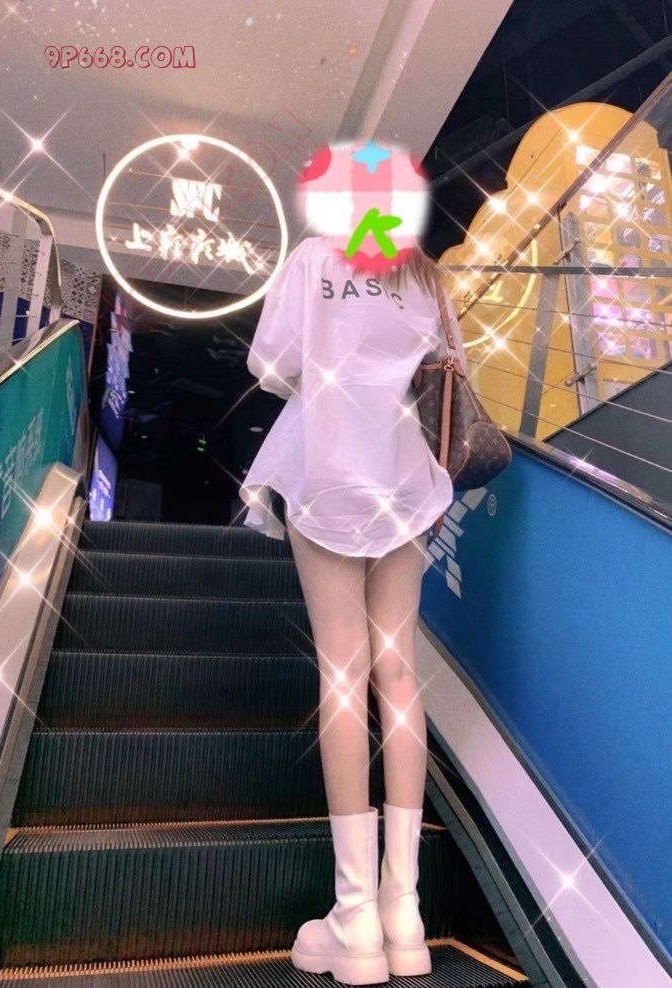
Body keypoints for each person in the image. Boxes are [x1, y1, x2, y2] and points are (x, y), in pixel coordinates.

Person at [238, 234, 468, 985]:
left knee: (342, 671)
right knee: (396, 671)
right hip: (403, 471)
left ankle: (354, 913)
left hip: (328, 466)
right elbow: (449, 371)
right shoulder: (425, 275)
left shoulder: (315, 258)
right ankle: (405, 911)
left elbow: (271, 366)